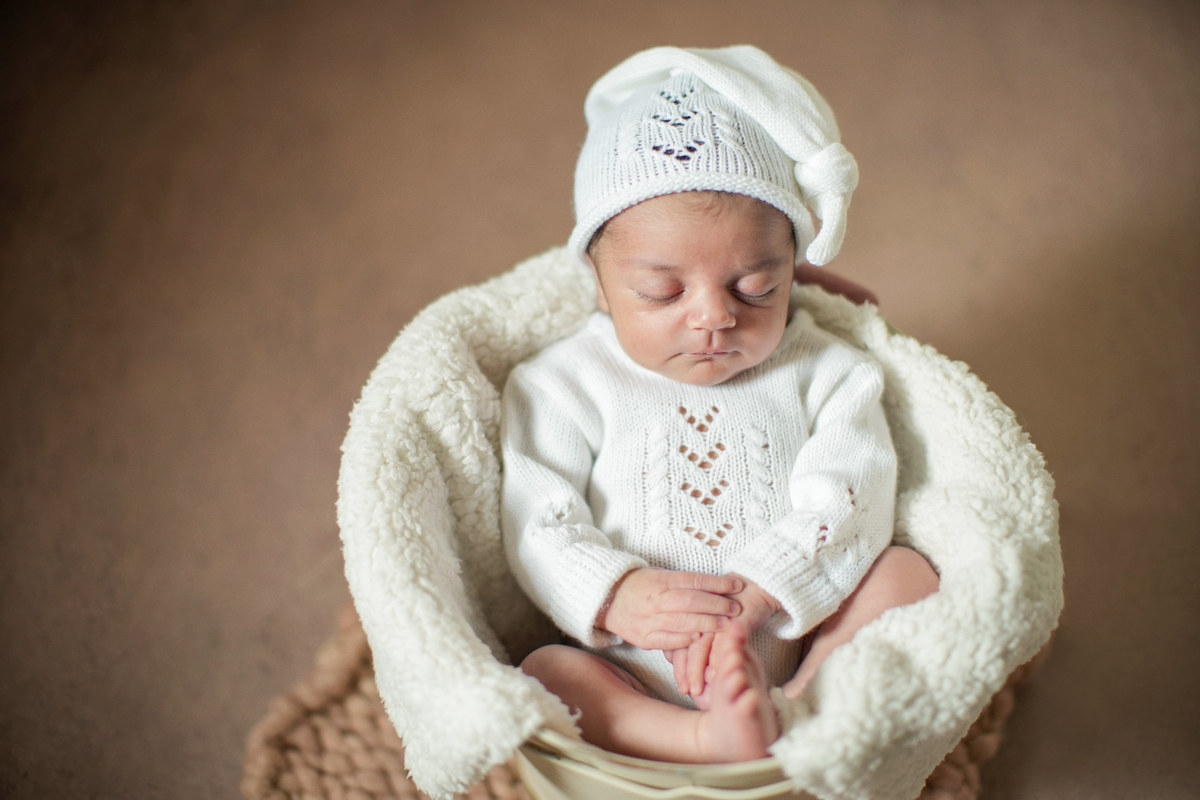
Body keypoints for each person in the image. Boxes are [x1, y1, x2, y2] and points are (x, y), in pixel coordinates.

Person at [500, 46, 939, 765]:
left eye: (756, 286)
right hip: (634, 666)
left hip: (798, 641)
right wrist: (616, 594)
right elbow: (536, 519)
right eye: (663, 292)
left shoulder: (829, 370)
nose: (713, 317)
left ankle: (799, 711)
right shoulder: (559, 382)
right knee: (547, 676)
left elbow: (855, 491)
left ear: (794, 270)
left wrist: (763, 592)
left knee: (907, 576)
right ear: (598, 277)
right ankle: (696, 736)